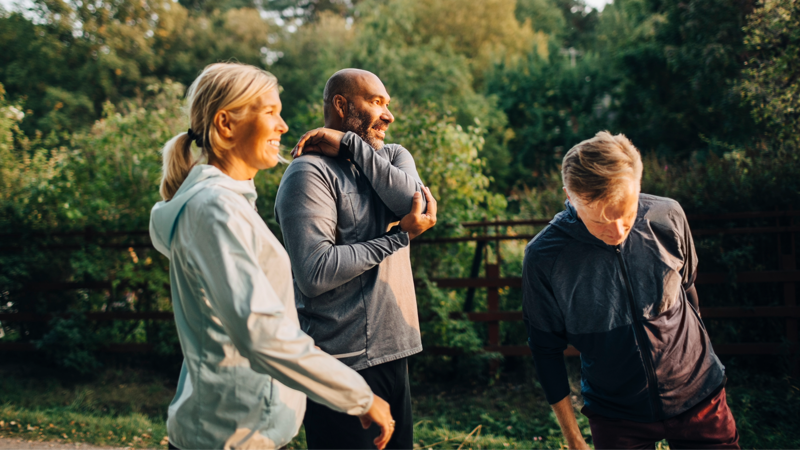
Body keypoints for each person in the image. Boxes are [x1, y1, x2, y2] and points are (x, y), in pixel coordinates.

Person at [149, 62, 395, 450]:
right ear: (226, 124)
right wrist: (358, 396)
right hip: (228, 434)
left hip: (241, 428)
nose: (283, 126)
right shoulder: (215, 209)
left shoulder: (226, 205)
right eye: (270, 112)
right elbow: (260, 333)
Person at [522, 131, 740, 450]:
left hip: (700, 397)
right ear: (569, 196)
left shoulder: (668, 216)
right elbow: (544, 349)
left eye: (626, 215)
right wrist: (573, 439)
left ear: (638, 185)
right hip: (616, 416)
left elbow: (689, 290)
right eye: (599, 222)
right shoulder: (543, 258)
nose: (617, 232)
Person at [274, 68, 437, 450]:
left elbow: (410, 203)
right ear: (342, 105)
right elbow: (314, 271)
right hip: (340, 362)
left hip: (395, 351)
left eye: (388, 104)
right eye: (377, 102)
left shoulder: (394, 156)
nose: (389, 115)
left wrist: (350, 145)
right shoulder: (308, 173)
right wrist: (396, 238)